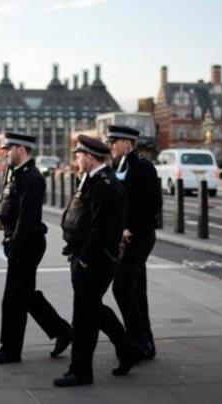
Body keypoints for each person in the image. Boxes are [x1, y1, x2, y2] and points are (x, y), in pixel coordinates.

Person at [54, 134, 138, 387]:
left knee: (84, 317)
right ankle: (128, 348)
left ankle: (80, 371)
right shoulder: (91, 180)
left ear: (90, 158)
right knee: (93, 309)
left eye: (79, 155)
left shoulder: (104, 185)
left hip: (94, 261)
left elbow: (100, 230)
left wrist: (85, 261)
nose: (77, 159)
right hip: (84, 255)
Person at [0, 132, 73, 365]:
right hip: (17, 241)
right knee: (24, 294)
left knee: (13, 298)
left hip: (26, 243)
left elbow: (27, 217)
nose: (5, 152)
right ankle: (62, 330)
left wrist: (14, 245)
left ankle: (10, 351)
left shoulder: (31, 177)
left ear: (21, 150)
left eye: (9, 149)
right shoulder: (14, 173)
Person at [106, 125, 162, 361]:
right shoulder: (118, 165)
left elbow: (153, 205)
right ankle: (146, 341)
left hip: (139, 237)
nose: (111, 146)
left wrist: (131, 228)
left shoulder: (142, 166)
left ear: (128, 143)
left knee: (122, 286)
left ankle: (138, 339)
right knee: (137, 290)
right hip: (124, 237)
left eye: (114, 142)